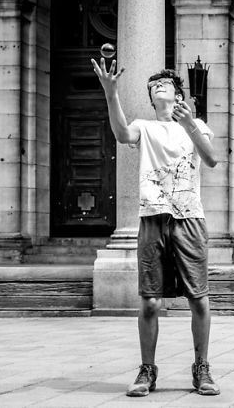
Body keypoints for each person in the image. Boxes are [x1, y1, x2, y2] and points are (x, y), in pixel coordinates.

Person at [91, 58, 220, 397]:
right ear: (152, 100)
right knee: (149, 302)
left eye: (164, 85)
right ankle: (147, 369)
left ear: (178, 95)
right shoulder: (144, 127)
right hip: (152, 218)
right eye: (153, 88)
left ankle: (201, 367)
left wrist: (191, 123)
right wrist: (111, 93)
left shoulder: (196, 125)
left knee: (199, 300)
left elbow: (211, 158)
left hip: (189, 218)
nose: (158, 88)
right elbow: (121, 134)